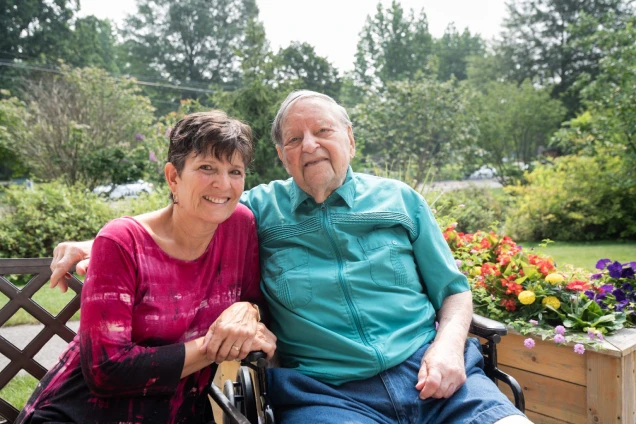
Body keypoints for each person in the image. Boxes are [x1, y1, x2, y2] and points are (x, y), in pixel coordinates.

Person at [50, 91, 530, 424]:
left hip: (432, 370)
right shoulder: (256, 210)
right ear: (282, 156)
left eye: (323, 131)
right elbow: (192, 210)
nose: (311, 145)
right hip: (326, 393)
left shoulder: (400, 200)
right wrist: (101, 244)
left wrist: (447, 349)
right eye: (295, 140)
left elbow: (453, 291)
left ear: (350, 140)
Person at [18, 111, 276, 424]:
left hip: (180, 413)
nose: (223, 184)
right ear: (173, 177)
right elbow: (106, 370)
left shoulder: (240, 227)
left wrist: (248, 312)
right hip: (81, 414)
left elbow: (251, 298)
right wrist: (216, 346)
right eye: (207, 167)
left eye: (235, 171)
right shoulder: (122, 242)